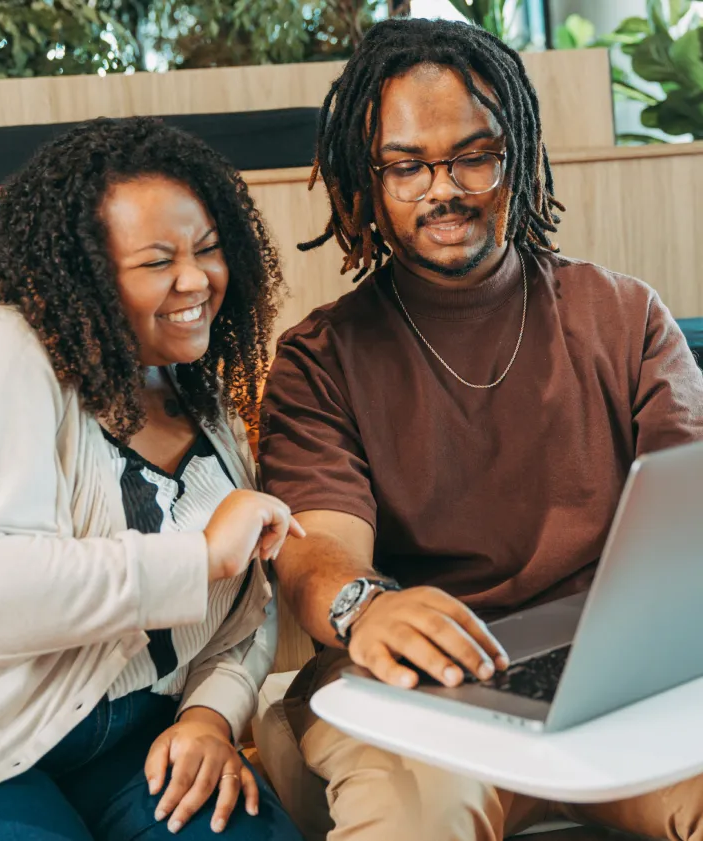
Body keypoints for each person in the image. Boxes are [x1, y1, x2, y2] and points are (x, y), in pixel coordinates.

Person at [259, 17, 703, 841]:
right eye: (406, 165)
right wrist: (365, 606)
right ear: (367, 179)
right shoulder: (320, 359)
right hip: (416, 690)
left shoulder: (625, 315)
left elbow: (692, 517)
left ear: (518, 156)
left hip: (614, 675)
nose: (444, 188)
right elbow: (318, 549)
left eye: (474, 155)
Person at [0, 117, 305, 841]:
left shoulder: (197, 392)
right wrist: (197, 558)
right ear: (81, 270)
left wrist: (211, 714)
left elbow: (245, 608)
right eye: (156, 260)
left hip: (139, 732)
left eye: (207, 249)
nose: (196, 279)